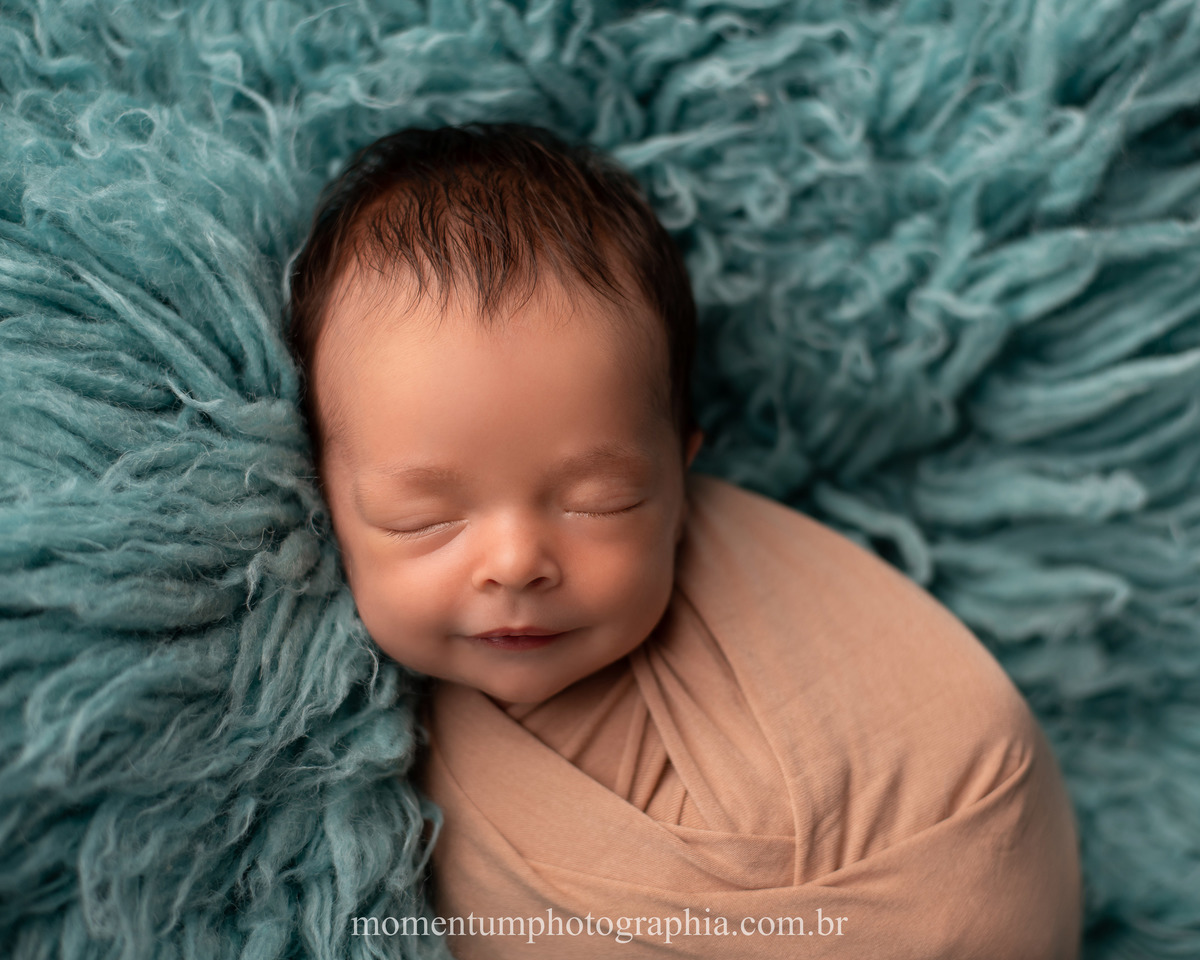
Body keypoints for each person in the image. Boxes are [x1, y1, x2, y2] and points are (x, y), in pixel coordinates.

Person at [285, 122, 1083, 958]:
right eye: (423, 518)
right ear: (322, 498)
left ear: (679, 479)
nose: (517, 562)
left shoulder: (846, 674)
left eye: (602, 501)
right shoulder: (322, 746)